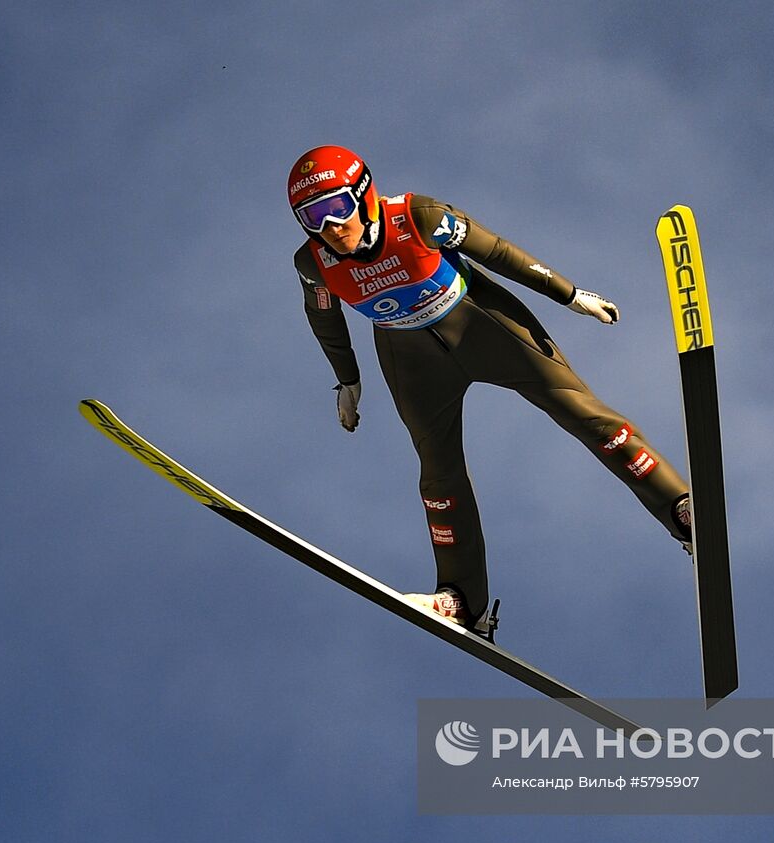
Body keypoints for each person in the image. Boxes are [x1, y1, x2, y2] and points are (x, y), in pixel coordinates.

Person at [288, 145, 691, 637]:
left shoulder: (418, 217)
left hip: (481, 324)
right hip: (410, 357)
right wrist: (347, 378)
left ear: (364, 194)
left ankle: (680, 509)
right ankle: (461, 601)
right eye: (312, 216)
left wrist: (567, 293)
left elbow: (496, 251)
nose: (329, 227)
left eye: (337, 208)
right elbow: (323, 317)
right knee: (438, 474)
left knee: (580, 412)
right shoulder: (313, 262)